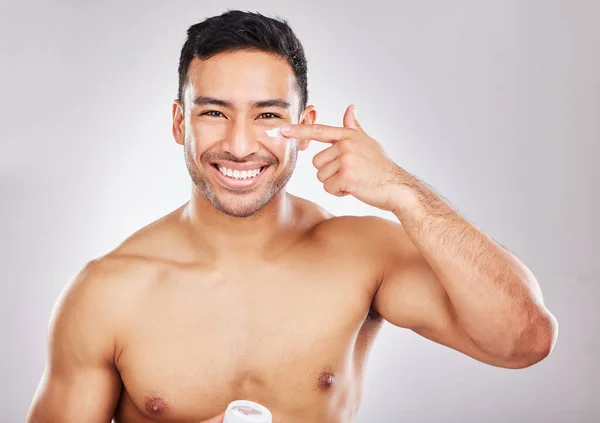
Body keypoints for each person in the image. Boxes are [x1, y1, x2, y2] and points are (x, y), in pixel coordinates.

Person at [26, 9, 558, 423]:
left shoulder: (360, 256)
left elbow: (523, 342)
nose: (239, 145)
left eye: (267, 116)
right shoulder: (109, 291)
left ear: (305, 124)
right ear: (178, 121)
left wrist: (402, 191)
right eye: (213, 112)